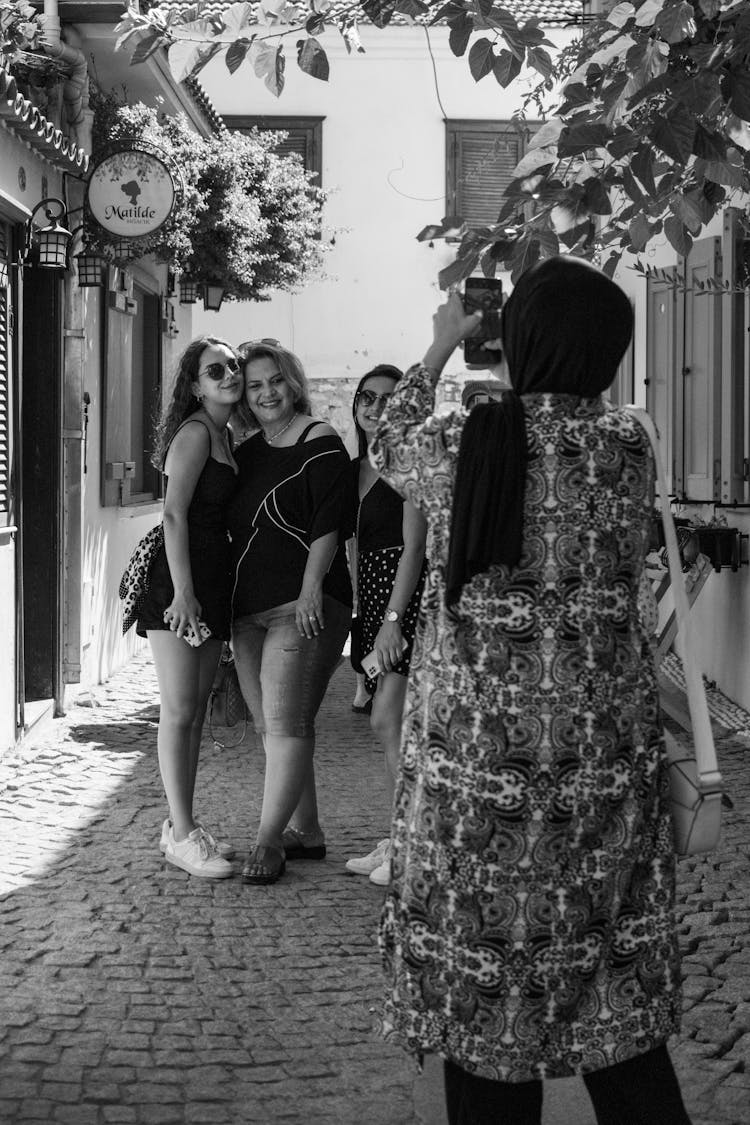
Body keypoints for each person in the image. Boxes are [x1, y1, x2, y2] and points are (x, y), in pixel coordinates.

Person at [371, 258, 692, 1125]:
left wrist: (442, 339)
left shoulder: (461, 441)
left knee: (485, 1020)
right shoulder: (629, 446)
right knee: (614, 1006)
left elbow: (384, 438)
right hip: (601, 773)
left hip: (476, 780)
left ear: (515, 339)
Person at [228, 340, 354, 886]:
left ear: (293, 381)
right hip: (247, 610)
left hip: (304, 604)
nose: (266, 393)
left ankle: (267, 843)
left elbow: (330, 521)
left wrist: (310, 590)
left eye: (274, 380)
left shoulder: (319, 438)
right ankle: (307, 831)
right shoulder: (248, 451)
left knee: (285, 723)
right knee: (271, 726)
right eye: (254, 385)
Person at [137, 336, 242, 879]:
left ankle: (183, 825)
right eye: (215, 369)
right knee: (179, 709)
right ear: (196, 385)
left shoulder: (227, 436)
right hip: (182, 583)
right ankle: (179, 832)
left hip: (211, 581)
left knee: (197, 709)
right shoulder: (198, 433)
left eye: (233, 366)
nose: (229, 375)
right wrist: (182, 593)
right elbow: (173, 515)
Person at [344, 366, 428, 887]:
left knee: (387, 720)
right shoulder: (357, 467)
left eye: (388, 398)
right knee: (393, 724)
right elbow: (355, 546)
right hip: (374, 600)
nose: (375, 406)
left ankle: (411, 845)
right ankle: (402, 836)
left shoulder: (407, 463)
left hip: (407, 594)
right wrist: (362, 613)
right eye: (367, 396)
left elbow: (415, 547)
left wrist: (392, 622)